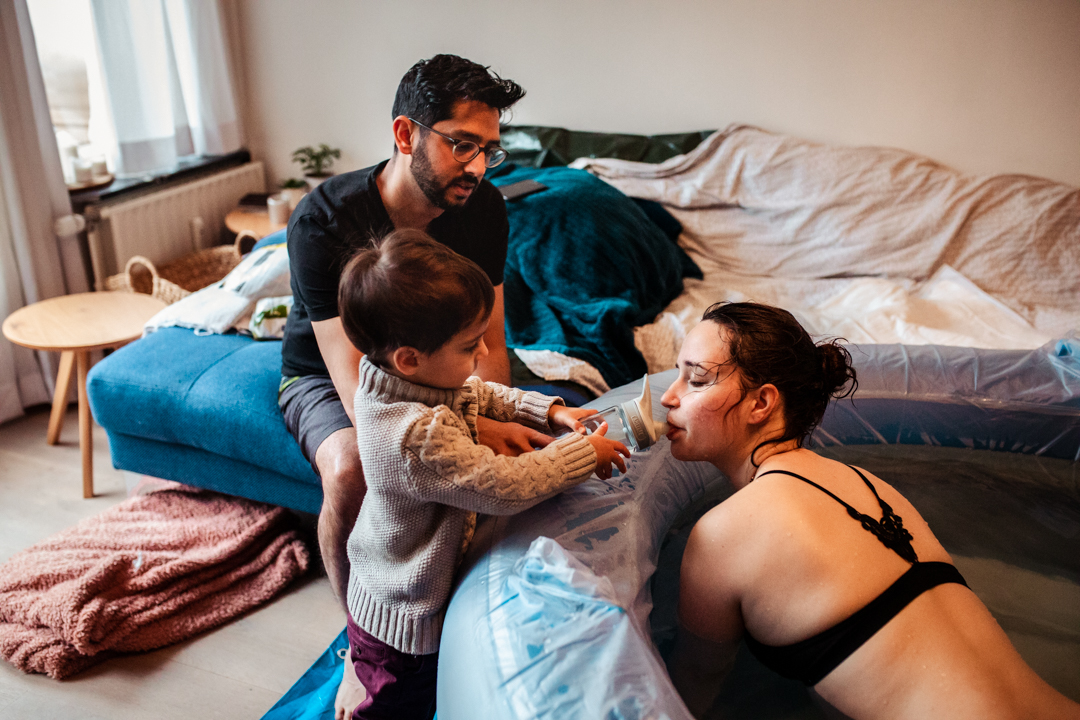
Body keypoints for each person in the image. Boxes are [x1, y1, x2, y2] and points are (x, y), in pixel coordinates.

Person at [661, 302, 1080, 720]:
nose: (668, 396)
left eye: (696, 379)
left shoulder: (722, 533)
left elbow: (693, 683)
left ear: (762, 403)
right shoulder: (869, 483)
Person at [335, 229, 629, 719]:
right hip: (403, 622)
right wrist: (582, 453)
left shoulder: (403, 382)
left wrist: (551, 413)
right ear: (410, 357)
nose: (483, 357)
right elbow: (504, 486)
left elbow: (479, 394)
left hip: (386, 584)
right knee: (392, 709)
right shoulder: (416, 435)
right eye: (471, 346)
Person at [279, 55, 536, 614]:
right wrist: (471, 432)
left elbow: (489, 338)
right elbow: (357, 386)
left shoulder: (484, 207)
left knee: (509, 452)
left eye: (489, 151)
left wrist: (495, 418)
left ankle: (462, 606)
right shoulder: (323, 221)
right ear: (405, 134)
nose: (478, 167)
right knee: (352, 466)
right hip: (330, 373)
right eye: (462, 145)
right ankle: (357, 629)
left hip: (441, 363)